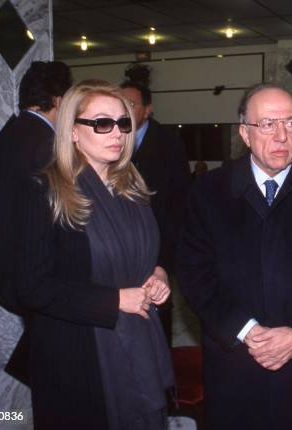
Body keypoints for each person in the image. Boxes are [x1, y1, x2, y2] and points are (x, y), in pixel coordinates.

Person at [15, 80, 174, 429]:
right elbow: (30, 286)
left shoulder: (133, 188)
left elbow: (142, 258)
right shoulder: (44, 190)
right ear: (72, 131)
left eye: (123, 122)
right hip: (78, 355)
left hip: (140, 340)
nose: (116, 132)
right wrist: (114, 301)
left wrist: (158, 274)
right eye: (102, 123)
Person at [177, 83, 292, 430]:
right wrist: (247, 331)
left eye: (290, 123)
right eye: (267, 124)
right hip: (235, 357)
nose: (281, 135)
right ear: (244, 134)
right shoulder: (208, 191)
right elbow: (194, 273)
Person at [0, 60, 72, 314]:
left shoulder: (10, 133)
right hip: (40, 272)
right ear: (59, 101)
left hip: (10, 267)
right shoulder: (48, 146)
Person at [120, 79, 191, 344]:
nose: (125, 110)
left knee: (156, 323)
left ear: (147, 109)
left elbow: (179, 204)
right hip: (122, 250)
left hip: (158, 247)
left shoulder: (168, 143)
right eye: (121, 103)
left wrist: (165, 260)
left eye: (131, 104)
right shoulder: (112, 139)